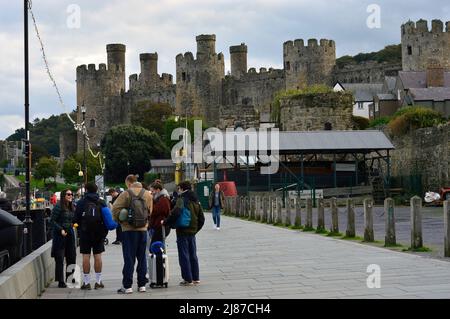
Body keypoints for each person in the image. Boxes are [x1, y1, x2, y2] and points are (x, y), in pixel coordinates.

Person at [112, 175, 153, 294]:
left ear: (128, 183)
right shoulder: (147, 194)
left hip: (128, 230)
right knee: (142, 258)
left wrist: (121, 221)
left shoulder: (125, 194)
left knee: (129, 258)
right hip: (143, 230)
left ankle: (127, 285)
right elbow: (150, 211)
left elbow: (115, 209)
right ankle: (142, 285)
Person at [163, 181, 205, 286]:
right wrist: (196, 229)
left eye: (178, 188)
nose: (178, 190)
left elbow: (176, 212)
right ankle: (196, 278)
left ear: (181, 188)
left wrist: (166, 222)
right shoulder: (196, 200)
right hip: (192, 232)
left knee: (184, 255)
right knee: (193, 255)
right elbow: (202, 218)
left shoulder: (182, 199)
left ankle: (188, 279)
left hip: (182, 230)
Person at [73, 182, 107, 290]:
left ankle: (86, 282)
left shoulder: (81, 203)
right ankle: (98, 281)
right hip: (98, 233)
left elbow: (75, 219)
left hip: (85, 233)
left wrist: (79, 230)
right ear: (96, 190)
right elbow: (106, 218)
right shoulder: (101, 202)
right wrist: (104, 232)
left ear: (86, 190)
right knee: (98, 256)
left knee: (85, 256)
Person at [50, 189, 76, 288]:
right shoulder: (58, 206)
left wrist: (74, 224)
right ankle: (61, 281)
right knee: (60, 258)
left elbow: (72, 219)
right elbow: (52, 221)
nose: (71, 196)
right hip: (59, 234)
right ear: (63, 195)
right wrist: (60, 229)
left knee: (71, 256)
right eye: (68, 194)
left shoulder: (71, 206)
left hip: (69, 233)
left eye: (71, 194)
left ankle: (70, 277)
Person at [149, 181, 171, 246]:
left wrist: (151, 203)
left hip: (161, 226)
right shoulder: (159, 198)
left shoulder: (163, 198)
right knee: (156, 246)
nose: (152, 193)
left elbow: (156, 210)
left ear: (158, 190)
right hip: (158, 226)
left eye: (152, 191)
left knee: (155, 246)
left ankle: (160, 256)